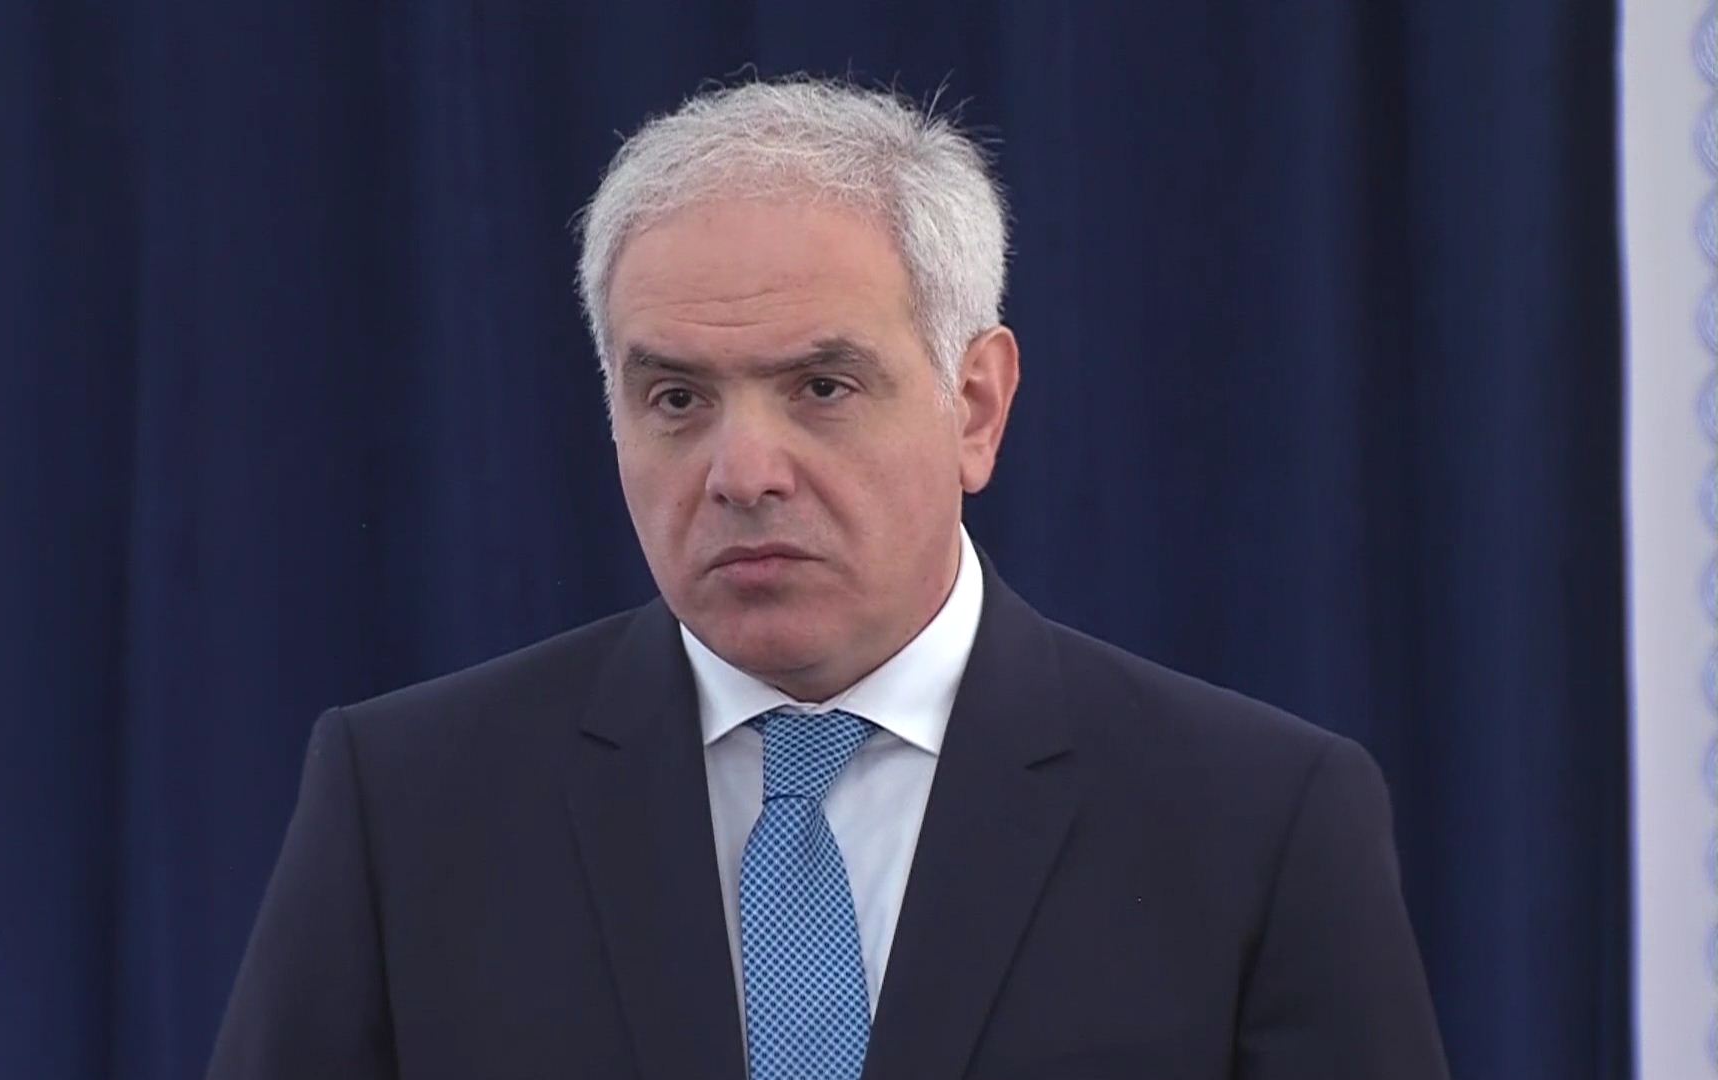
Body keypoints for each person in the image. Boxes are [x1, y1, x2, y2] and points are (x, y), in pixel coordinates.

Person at [207, 78, 1450, 1080]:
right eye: (676, 398)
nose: (744, 472)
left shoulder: (1257, 822)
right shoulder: (406, 809)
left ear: (976, 406)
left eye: (822, 387)